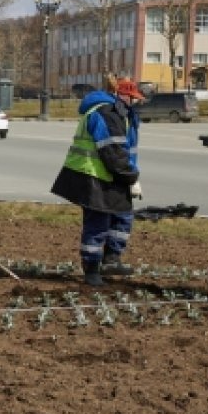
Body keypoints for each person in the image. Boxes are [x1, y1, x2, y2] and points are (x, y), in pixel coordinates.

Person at [50, 74, 143, 287]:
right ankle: (91, 268)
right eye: (133, 98)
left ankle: (111, 260)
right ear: (121, 95)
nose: (136, 102)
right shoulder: (107, 113)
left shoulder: (116, 112)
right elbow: (112, 151)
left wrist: (129, 175)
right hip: (92, 176)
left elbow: (121, 151)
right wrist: (131, 177)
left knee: (123, 216)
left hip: (107, 175)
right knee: (98, 223)